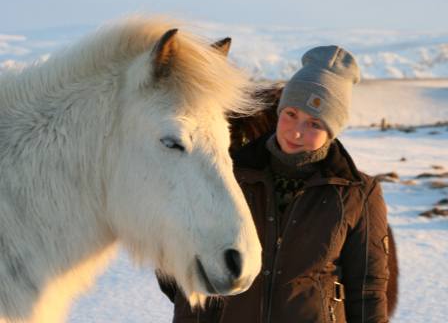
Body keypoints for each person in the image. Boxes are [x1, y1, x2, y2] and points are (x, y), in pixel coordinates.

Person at [158, 45, 390, 323]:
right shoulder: (229, 175)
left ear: (332, 130)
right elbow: (184, 272)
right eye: (291, 114)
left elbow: (367, 287)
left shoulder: (357, 192)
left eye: (314, 124)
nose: (296, 131)